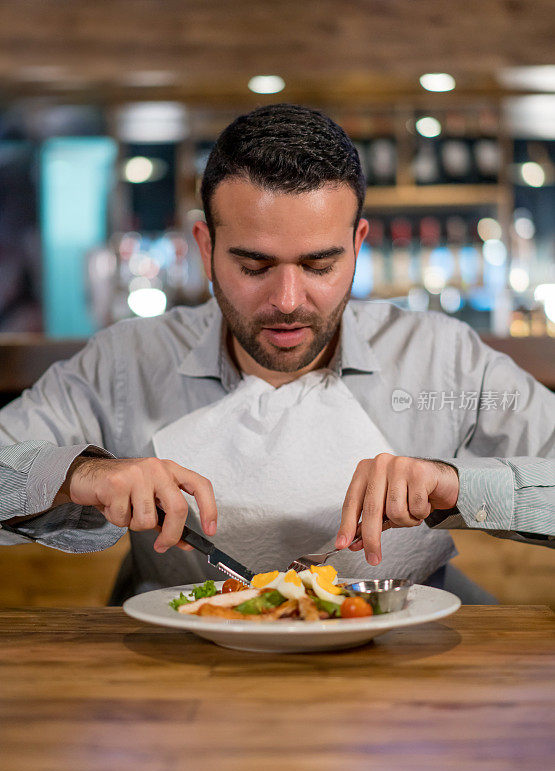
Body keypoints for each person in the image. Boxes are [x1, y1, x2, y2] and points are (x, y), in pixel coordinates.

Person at [1, 104, 553, 605]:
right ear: (206, 248)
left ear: (358, 246)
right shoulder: (126, 362)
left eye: (319, 266)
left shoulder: (442, 358)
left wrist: (459, 485)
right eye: (254, 267)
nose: (288, 301)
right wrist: (79, 475)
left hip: (411, 672)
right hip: (179, 676)